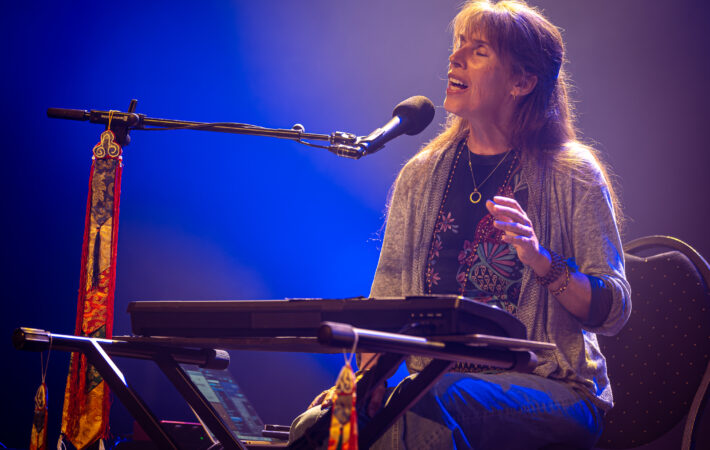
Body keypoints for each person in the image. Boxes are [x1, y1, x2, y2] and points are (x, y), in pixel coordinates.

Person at [290, 1, 631, 448]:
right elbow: (386, 302)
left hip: (555, 390)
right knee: (319, 428)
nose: (455, 58)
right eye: (458, 45)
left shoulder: (572, 172)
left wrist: (542, 261)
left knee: (428, 405)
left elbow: (613, 309)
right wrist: (362, 384)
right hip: (432, 387)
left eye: (479, 50)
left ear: (522, 82)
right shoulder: (420, 174)